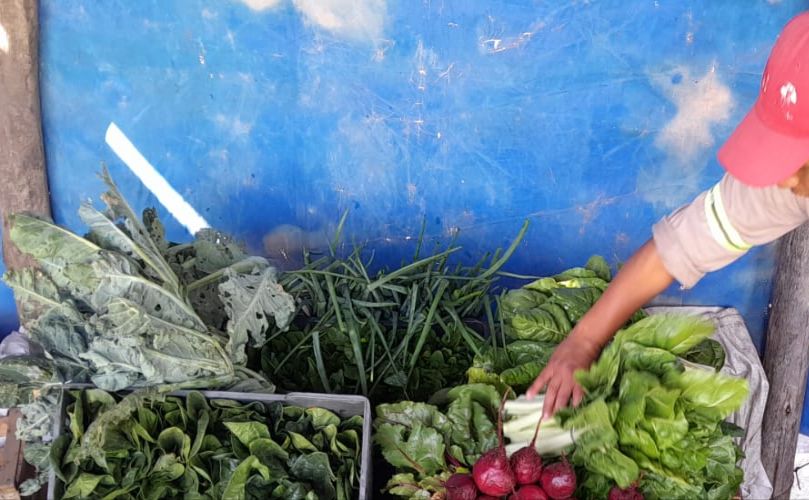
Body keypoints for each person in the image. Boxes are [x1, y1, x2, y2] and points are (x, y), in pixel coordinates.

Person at [527, 10, 809, 420]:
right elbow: (680, 246)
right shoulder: (788, 184)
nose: (783, 180)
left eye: (799, 162)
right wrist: (583, 342)